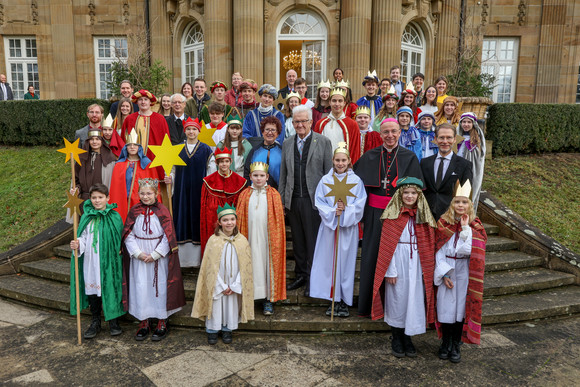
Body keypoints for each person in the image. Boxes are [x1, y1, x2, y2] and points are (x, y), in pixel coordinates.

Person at [353, 118, 423, 317]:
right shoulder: (369, 156)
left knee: (397, 260)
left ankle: (395, 308)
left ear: (400, 133)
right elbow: (355, 184)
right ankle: (368, 306)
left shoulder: (409, 157)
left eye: (394, 131)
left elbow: (416, 191)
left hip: (399, 215)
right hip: (374, 214)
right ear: (380, 134)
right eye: (386, 132)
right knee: (371, 258)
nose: (390, 135)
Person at [371, 177, 436, 357]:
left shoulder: (424, 217)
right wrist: (390, 270)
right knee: (397, 299)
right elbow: (387, 246)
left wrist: (427, 268)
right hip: (398, 262)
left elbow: (429, 244)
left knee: (413, 300)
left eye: (413, 193)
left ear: (419, 195)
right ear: (400, 194)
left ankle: (408, 337)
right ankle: (397, 337)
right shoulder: (392, 216)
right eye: (406, 192)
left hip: (417, 263)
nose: (409, 196)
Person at [121, 178, 186, 341]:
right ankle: (143, 321)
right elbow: (128, 235)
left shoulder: (163, 211)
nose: (145, 196)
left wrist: (156, 254)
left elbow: (168, 236)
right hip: (140, 258)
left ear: (156, 193)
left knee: (160, 287)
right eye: (142, 193)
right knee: (141, 287)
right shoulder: (134, 211)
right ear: (138, 194)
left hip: (158, 258)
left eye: (149, 193)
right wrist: (138, 253)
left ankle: (161, 320)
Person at [279, 105, 333, 296]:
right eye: (297, 121)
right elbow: (284, 175)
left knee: (313, 242)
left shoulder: (323, 142)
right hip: (293, 200)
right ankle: (301, 274)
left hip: (314, 202)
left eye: (304, 121)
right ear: (292, 123)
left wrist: (328, 202)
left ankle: (314, 278)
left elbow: (329, 175)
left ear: (311, 122)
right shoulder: (287, 143)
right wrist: (282, 201)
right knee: (299, 242)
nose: (300, 125)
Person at [310, 143, 366, 317]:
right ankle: (332, 299)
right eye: (337, 160)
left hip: (348, 230)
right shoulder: (325, 181)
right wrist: (334, 212)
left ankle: (344, 302)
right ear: (332, 161)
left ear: (349, 161)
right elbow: (319, 202)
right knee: (330, 264)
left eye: (344, 160)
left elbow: (360, 204)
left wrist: (346, 212)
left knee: (346, 265)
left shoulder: (356, 181)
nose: (340, 163)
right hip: (329, 228)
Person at [434, 180, 487, 362]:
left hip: (465, 270)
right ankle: (445, 342)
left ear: (470, 205)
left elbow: (470, 250)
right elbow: (438, 250)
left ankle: (456, 344)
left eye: (464, 202)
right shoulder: (443, 222)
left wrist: (465, 229)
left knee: (459, 310)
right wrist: (445, 274)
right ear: (452, 204)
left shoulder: (475, 226)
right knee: (445, 307)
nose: (461, 205)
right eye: (457, 202)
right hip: (447, 269)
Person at [192, 204, 254, 345]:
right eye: (225, 220)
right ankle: (212, 330)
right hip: (218, 284)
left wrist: (235, 285)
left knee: (231, 306)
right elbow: (209, 267)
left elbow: (245, 268)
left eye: (232, 219)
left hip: (233, 285)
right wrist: (221, 285)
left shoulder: (242, 241)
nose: (229, 223)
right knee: (216, 305)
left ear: (236, 221)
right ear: (219, 222)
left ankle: (227, 329)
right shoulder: (213, 240)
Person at [69, 183, 125, 339]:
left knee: (110, 288)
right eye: (94, 197)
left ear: (107, 198)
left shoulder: (114, 216)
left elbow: (119, 239)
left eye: (100, 197)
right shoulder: (87, 217)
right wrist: (78, 243)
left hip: (109, 262)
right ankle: (95, 321)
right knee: (93, 289)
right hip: (91, 261)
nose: (97, 200)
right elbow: (84, 237)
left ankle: (113, 320)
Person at [237, 162, 287, 315]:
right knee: (251, 264)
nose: (258, 179)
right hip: (250, 237)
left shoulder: (274, 195)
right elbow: (239, 219)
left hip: (268, 239)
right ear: (250, 176)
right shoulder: (244, 195)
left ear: (267, 177)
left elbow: (279, 222)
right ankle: (249, 297)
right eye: (255, 176)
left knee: (266, 266)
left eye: (262, 176)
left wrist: (275, 239)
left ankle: (268, 299)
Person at [168, 117, 213, 268]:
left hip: (199, 192)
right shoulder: (178, 148)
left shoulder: (206, 149)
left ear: (199, 131)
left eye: (194, 129)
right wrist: (171, 179)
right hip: (181, 191)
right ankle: (182, 260)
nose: (191, 132)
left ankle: (196, 260)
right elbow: (173, 170)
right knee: (182, 219)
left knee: (197, 219)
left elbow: (210, 171)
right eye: (188, 129)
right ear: (185, 131)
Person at [420, 123, 473, 220]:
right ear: (435, 139)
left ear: (454, 140)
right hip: (426, 216)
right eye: (441, 138)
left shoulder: (465, 165)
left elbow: (465, 196)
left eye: (449, 138)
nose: (445, 141)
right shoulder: (424, 163)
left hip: (451, 217)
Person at [200, 147, 247, 255]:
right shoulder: (208, 182)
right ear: (217, 163)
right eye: (221, 162)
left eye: (226, 161)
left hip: (233, 222)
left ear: (231, 162)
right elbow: (203, 208)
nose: (224, 164)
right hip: (213, 220)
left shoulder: (240, 182)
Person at [109, 129, 161, 223]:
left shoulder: (147, 164)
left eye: (135, 145)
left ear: (139, 147)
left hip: (140, 200)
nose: (132, 147)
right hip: (123, 200)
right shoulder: (119, 165)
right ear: (126, 147)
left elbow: (154, 187)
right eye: (129, 145)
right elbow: (115, 188)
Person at [121, 89, 171, 163]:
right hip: (134, 160)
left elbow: (166, 141)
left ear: (150, 102)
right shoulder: (130, 119)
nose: (143, 102)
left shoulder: (160, 119)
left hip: (155, 160)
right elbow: (123, 139)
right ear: (137, 102)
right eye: (140, 99)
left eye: (146, 99)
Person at [314, 88, 361, 163]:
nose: (337, 104)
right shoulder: (320, 124)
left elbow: (355, 150)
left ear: (344, 103)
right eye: (334, 101)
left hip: (345, 168)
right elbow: (315, 149)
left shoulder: (352, 124)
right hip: (325, 167)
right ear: (329, 102)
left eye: (340, 101)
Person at [74, 128, 116, 201]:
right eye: (91, 139)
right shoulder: (82, 158)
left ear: (102, 141)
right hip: (85, 200)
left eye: (97, 139)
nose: (94, 142)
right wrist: (77, 189)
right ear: (88, 141)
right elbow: (76, 178)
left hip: (102, 200)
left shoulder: (110, 159)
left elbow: (113, 182)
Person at [243, 116, 284, 189]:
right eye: (267, 129)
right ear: (262, 132)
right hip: (257, 193)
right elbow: (247, 172)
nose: (270, 133)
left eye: (273, 130)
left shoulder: (282, 151)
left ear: (277, 133)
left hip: (277, 194)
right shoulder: (255, 151)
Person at [457, 112, 486, 212]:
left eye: (469, 122)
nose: (466, 124)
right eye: (463, 122)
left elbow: (479, 157)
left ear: (473, 123)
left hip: (471, 169)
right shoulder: (457, 136)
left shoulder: (477, 138)